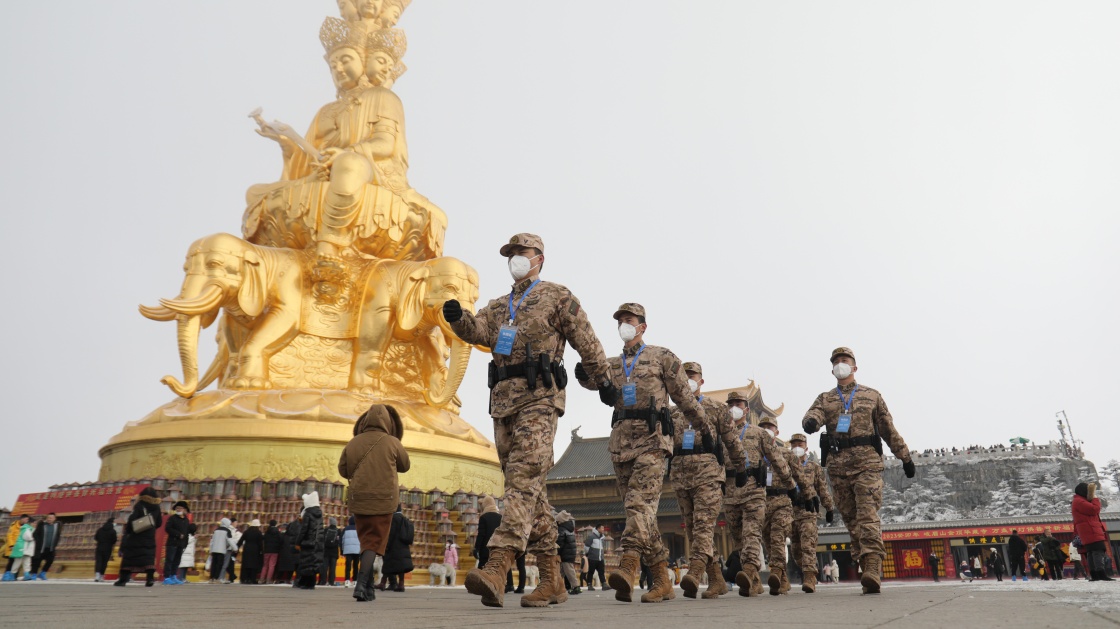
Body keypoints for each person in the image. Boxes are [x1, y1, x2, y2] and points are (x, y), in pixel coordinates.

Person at [444, 233, 615, 608]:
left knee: (522, 477)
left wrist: (603, 380)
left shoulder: (557, 296)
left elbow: (586, 339)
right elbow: (479, 332)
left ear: (539, 258)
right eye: (511, 254)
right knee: (532, 493)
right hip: (503, 403)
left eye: (522, 253)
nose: (515, 259)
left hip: (540, 398)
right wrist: (458, 320)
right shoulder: (499, 305)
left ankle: (498, 565)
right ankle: (552, 579)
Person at [586, 303, 707, 604]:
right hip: (621, 445)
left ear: (642, 326)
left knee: (640, 504)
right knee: (641, 514)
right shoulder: (613, 364)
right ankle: (662, 580)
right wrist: (585, 376)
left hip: (653, 441)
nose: (624, 325)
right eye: (620, 321)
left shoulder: (662, 357)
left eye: (630, 320)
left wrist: (704, 425)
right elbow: (593, 379)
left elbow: (684, 396)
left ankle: (628, 566)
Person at [801, 347, 915, 595]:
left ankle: (873, 566)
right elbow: (814, 414)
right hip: (839, 467)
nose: (840, 364)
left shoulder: (872, 396)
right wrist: (809, 421)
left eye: (845, 360)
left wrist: (904, 456)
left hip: (867, 465)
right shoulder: (825, 398)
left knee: (867, 515)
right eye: (836, 362)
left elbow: (888, 429)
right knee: (852, 520)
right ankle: (866, 566)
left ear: (854, 367)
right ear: (832, 369)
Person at [670, 362, 747, 600]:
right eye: (684, 377)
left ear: (701, 381)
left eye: (692, 376)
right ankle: (717, 580)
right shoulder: (672, 413)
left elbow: (732, 440)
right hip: (681, 476)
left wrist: (741, 464)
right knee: (693, 529)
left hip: (709, 474)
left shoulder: (715, 409)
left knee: (703, 525)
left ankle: (694, 572)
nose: (689, 380)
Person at [338, 403, 411, 601]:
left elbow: (343, 470)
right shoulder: (391, 441)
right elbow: (405, 465)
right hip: (384, 499)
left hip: (359, 499)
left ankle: (368, 589)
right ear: (387, 421)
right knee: (373, 542)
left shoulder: (353, 443)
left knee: (366, 542)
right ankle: (361, 585)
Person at [759, 418, 817, 596]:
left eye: (770, 427)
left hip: (783, 501)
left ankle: (788, 573)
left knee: (778, 536)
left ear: (777, 432)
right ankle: (782, 579)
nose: (767, 430)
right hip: (761, 502)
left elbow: (801, 477)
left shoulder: (787, 454)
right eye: (763, 428)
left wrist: (809, 496)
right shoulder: (755, 454)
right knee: (768, 541)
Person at [788, 432, 834, 594]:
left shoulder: (813, 467)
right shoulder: (784, 465)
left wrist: (829, 507)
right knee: (795, 549)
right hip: (789, 511)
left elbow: (822, 489)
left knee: (808, 544)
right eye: (793, 445)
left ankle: (809, 576)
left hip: (808, 511)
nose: (796, 448)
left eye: (799, 445)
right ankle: (806, 571)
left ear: (806, 447)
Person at [115, 487, 163, 587]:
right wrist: (150, 527)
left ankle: (123, 580)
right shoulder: (157, 507)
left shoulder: (139, 505)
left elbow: (132, 519)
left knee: (129, 558)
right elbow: (159, 522)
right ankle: (150, 579)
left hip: (136, 535)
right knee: (149, 558)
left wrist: (128, 530)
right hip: (149, 536)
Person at [1072, 482, 1113, 581]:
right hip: (1091, 530)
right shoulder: (1079, 501)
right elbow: (1094, 509)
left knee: (1091, 552)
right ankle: (1101, 574)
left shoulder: (1078, 501)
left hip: (1089, 530)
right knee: (1098, 551)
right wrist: (1094, 499)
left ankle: (1095, 574)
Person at [295, 492, 325, 590]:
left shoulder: (308, 513)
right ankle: (311, 583)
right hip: (317, 543)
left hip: (308, 542)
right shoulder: (319, 514)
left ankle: (305, 583)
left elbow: (304, 530)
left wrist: (298, 542)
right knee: (313, 562)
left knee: (306, 562)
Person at [382, 504, 414, 592]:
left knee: (388, 563)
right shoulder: (405, 519)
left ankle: (384, 583)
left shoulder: (393, 519)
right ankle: (401, 584)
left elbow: (391, 534)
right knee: (401, 566)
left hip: (393, 546)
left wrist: (386, 545)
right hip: (403, 546)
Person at [162, 501, 191, 585]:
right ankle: (166, 577)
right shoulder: (172, 518)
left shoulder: (186, 520)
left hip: (181, 544)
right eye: (177, 508)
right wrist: (178, 534)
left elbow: (187, 532)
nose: (178, 509)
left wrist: (185, 543)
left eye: (180, 508)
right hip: (172, 543)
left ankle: (173, 575)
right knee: (169, 560)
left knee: (177, 561)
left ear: (184, 509)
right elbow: (168, 528)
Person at [31, 513, 63, 581]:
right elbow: (35, 534)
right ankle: (34, 574)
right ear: (46, 518)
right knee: (37, 561)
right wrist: (38, 543)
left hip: (50, 548)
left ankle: (42, 573)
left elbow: (58, 536)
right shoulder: (42, 525)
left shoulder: (57, 526)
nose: (49, 519)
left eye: (51, 518)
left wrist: (55, 544)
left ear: (54, 519)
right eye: (48, 518)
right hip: (41, 548)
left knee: (50, 561)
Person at [555, 511, 579, 595]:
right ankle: (557, 587)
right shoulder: (570, 529)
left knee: (569, 571)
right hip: (569, 553)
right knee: (561, 571)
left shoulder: (561, 529)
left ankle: (576, 587)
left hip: (565, 554)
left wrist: (556, 551)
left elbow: (559, 543)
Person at [2, 514, 31, 581]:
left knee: (17, 562)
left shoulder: (26, 527)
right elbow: (9, 536)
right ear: (22, 519)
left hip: (20, 548)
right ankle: (6, 575)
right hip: (12, 547)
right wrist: (11, 545)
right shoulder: (14, 526)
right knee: (11, 561)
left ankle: (14, 576)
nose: (27, 521)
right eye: (26, 519)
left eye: (27, 520)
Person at [208, 518, 235, 583]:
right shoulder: (227, 531)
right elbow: (230, 541)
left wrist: (210, 550)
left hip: (214, 549)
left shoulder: (216, 530)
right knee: (219, 564)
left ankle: (212, 578)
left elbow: (212, 541)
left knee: (214, 564)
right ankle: (217, 578)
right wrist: (235, 548)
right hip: (221, 550)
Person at [583, 525, 608, 591]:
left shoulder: (602, 538)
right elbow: (586, 547)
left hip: (600, 558)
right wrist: (588, 554)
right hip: (592, 558)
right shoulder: (591, 537)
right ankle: (589, 585)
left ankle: (604, 584)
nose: (603, 529)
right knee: (591, 571)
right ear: (598, 529)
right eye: (602, 528)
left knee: (601, 571)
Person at [239, 519, 265, 584]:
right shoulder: (258, 533)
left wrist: (236, 547)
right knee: (253, 565)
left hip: (247, 549)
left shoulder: (246, 532)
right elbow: (260, 543)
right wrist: (262, 551)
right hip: (255, 550)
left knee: (246, 564)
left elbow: (241, 541)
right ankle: (252, 579)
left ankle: (244, 579)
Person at [93, 517, 118, 582]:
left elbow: (96, 537)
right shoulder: (113, 531)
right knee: (104, 562)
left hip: (99, 547)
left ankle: (97, 575)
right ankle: (102, 575)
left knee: (98, 561)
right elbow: (114, 540)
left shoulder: (100, 530)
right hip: (108, 548)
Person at [277, 519, 301, 584]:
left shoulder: (283, 535)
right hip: (292, 554)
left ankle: (279, 579)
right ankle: (288, 579)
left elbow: (279, 544)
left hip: (284, 554)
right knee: (291, 568)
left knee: (282, 567)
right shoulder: (296, 536)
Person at [320, 518, 341, 586]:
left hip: (326, 551)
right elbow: (339, 541)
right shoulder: (338, 531)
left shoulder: (325, 530)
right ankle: (331, 581)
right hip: (334, 552)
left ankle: (323, 581)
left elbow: (322, 540)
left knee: (325, 567)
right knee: (332, 567)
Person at [341, 516, 360, 588]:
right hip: (357, 550)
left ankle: (347, 581)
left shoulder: (345, 529)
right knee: (355, 566)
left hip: (348, 550)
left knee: (348, 566)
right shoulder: (359, 529)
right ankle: (355, 580)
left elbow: (342, 540)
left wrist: (342, 550)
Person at [262, 519, 283, 584]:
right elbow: (281, 540)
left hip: (267, 550)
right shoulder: (277, 532)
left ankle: (262, 579)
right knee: (272, 565)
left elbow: (263, 539)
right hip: (275, 551)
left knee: (265, 565)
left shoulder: (267, 532)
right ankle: (269, 579)